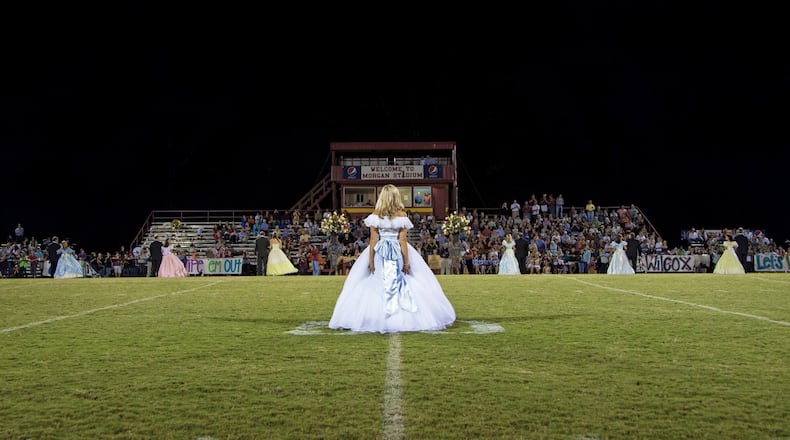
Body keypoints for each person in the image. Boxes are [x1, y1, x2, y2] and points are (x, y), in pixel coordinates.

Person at [328, 184, 456, 333]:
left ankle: (373, 316)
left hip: (380, 252)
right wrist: (407, 262)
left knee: (377, 281)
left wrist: (370, 261)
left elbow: (373, 240)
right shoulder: (401, 215)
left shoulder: (376, 214)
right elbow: (402, 241)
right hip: (396, 252)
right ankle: (403, 315)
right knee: (401, 279)